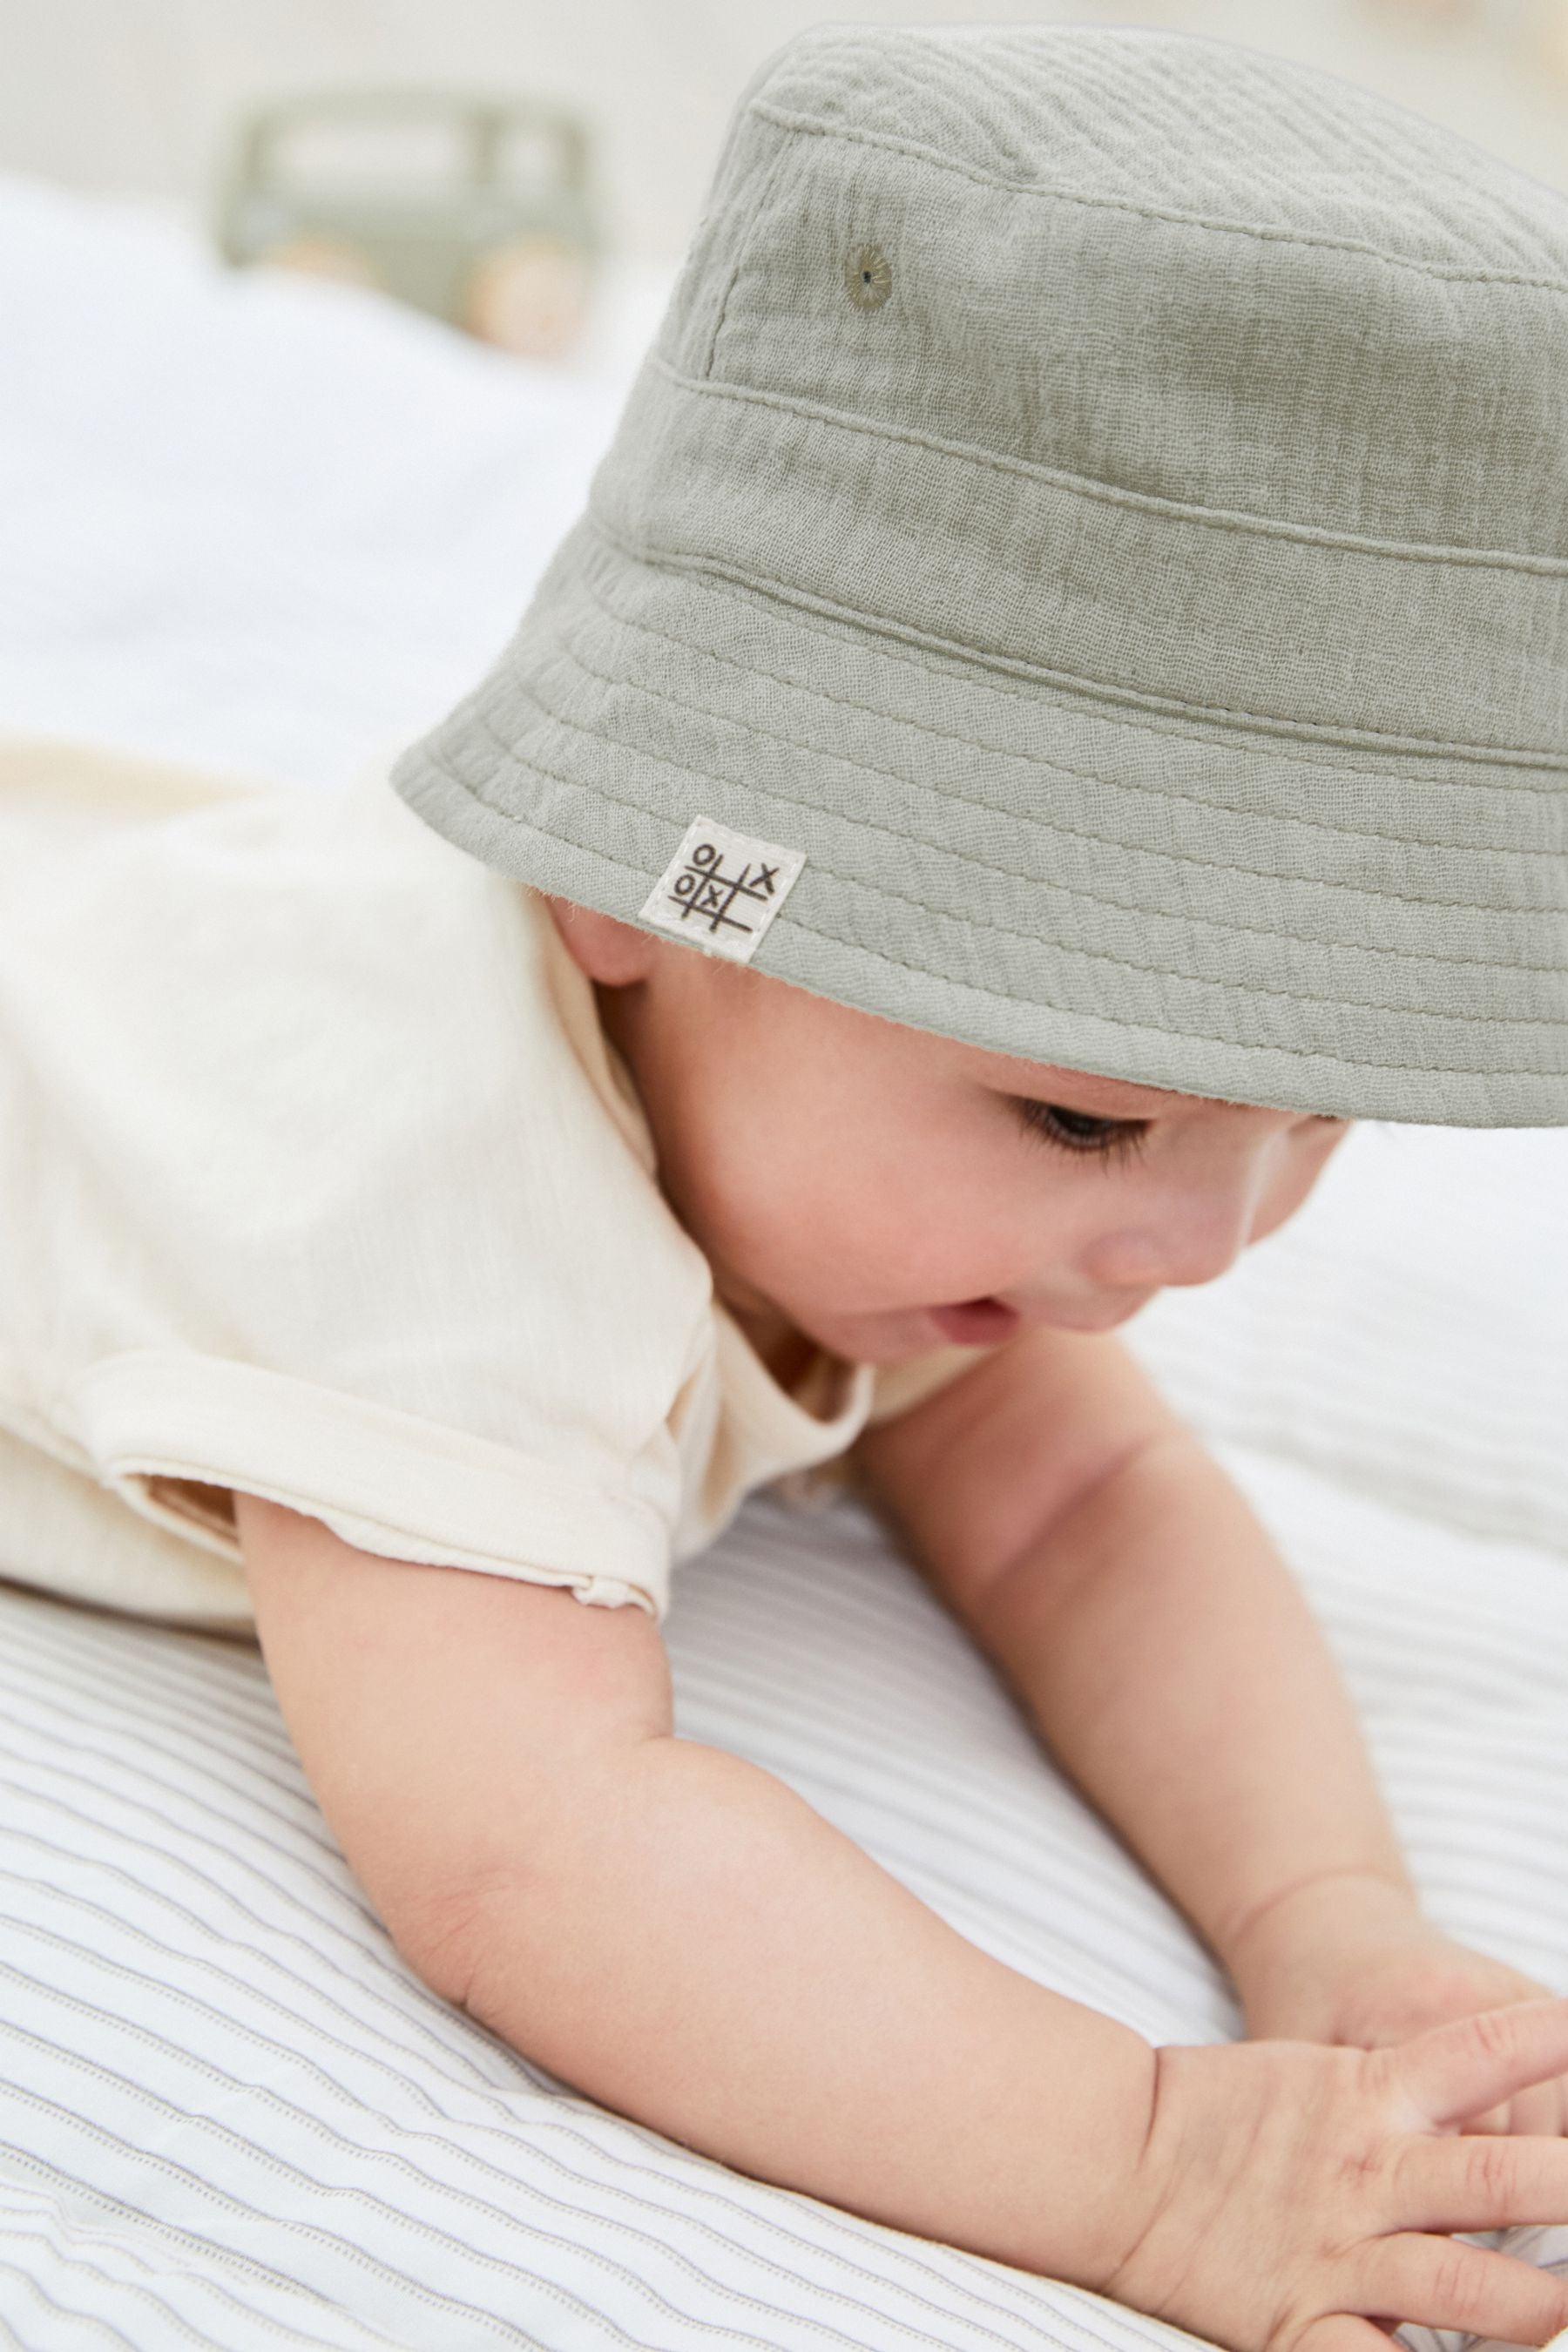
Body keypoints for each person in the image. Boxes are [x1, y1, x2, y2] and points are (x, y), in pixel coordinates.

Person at [3, 21, 1568, 2349]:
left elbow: (1078, 1515)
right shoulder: (423, 1195)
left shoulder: (815, 1115)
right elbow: (544, 1847)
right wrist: (1156, 2159)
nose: (1198, 1248)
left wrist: (1325, 1917)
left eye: (1312, 1111)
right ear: (634, 889)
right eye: (1081, 1120)